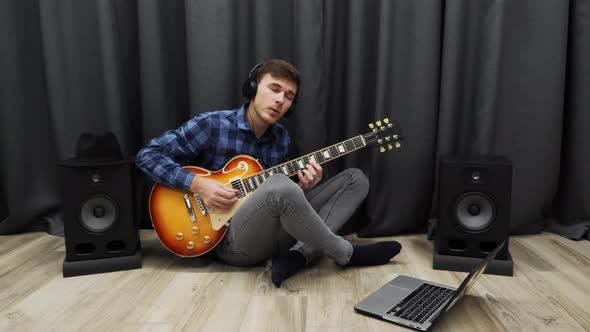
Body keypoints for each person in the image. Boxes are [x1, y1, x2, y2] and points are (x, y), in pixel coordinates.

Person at [136, 59, 401, 287]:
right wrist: (198, 185)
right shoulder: (212, 124)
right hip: (229, 242)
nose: (280, 100)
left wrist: (304, 188)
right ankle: (346, 254)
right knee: (278, 185)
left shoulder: (281, 138)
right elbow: (147, 156)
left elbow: (279, 200)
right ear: (252, 88)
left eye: (288, 97)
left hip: (272, 234)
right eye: (274, 89)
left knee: (355, 179)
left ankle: (298, 256)